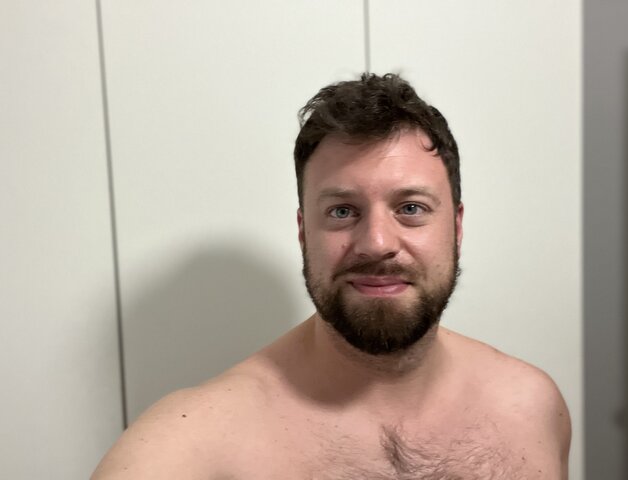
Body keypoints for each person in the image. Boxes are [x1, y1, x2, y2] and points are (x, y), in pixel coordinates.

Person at [92, 73, 571, 479]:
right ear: (304, 231)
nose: (376, 243)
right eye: (342, 211)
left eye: (410, 208)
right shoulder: (189, 450)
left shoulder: (532, 409)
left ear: (457, 227)